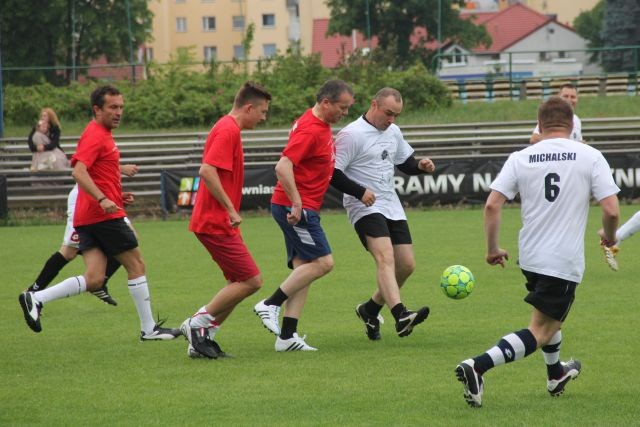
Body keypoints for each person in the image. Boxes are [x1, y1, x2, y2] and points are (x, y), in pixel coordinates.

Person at [455, 96, 620, 408]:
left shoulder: (521, 157)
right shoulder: (590, 155)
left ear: (540, 125)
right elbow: (611, 211)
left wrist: (492, 249)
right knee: (541, 329)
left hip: (530, 256)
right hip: (562, 259)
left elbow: (492, 204)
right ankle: (477, 366)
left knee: (550, 316)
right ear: (572, 125)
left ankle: (556, 373)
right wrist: (610, 238)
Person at [18, 85, 180, 341]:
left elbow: (98, 173)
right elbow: (79, 172)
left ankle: (36, 298)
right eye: (113, 107)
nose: (118, 112)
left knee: (94, 279)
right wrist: (103, 199)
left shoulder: (103, 134)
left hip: (89, 216)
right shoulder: (95, 134)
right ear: (97, 109)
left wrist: (115, 196)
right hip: (101, 216)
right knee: (136, 264)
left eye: (121, 107)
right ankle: (149, 329)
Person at [254, 79, 355, 352]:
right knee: (323, 263)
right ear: (325, 103)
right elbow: (283, 166)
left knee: (304, 270)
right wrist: (297, 204)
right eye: (342, 108)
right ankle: (269, 304)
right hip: (296, 208)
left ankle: (287, 337)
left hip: (299, 205)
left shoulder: (319, 125)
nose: (344, 113)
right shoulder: (311, 130)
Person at [330, 87, 434, 341]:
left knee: (406, 265)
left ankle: (370, 309)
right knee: (384, 256)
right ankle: (400, 314)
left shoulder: (393, 131)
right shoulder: (351, 135)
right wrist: (359, 192)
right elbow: (332, 172)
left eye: (396, 115)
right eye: (388, 113)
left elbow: (405, 163)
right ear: (373, 104)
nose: (392, 120)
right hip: (363, 205)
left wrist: (420, 166)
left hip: (390, 202)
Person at [180, 82, 272, 359]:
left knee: (238, 282)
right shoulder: (227, 129)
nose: (264, 118)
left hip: (217, 220)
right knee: (252, 281)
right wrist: (231, 209)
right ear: (249, 107)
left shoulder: (229, 128)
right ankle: (196, 325)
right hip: (215, 221)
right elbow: (207, 170)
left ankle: (202, 340)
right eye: (263, 112)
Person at [26, 163, 140, 306]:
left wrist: (117, 197)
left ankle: (100, 283)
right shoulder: (95, 140)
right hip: (84, 199)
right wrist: (120, 168)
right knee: (68, 252)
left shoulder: (109, 143)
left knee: (129, 238)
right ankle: (32, 293)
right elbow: (82, 168)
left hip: (103, 197)